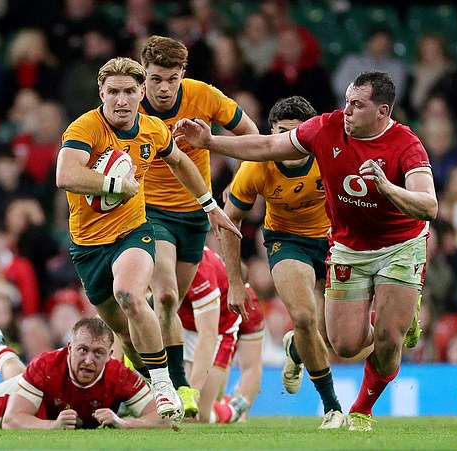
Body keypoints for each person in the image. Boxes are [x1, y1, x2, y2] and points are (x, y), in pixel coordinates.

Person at [175, 71, 438, 431]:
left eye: (357, 105)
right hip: (343, 245)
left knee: (389, 338)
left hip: (399, 245)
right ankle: (304, 347)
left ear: (382, 111)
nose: (346, 110)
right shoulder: (323, 130)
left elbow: (429, 206)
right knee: (343, 344)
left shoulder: (406, 144)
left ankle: (359, 411)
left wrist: (387, 188)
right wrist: (210, 142)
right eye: (346, 101)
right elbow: (266, 147)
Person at [55, 56, 241, 421]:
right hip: (88, 245)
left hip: (134, 232)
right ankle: (145, 385)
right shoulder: (85, 128)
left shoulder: (152, 129)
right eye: (113, 92)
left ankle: (165, 385)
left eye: (128, 92)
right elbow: (65, 174)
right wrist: (115, 185)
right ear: (101, 93)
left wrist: (209, 205)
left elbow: (181, 162)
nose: (121, 100)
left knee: (131, 295)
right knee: (126, 334)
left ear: (141, 92)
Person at [139, 35, 259, 416]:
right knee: (168, 296)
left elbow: (253, 137)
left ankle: (147, 373)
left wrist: (211, 143)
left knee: (166, 308)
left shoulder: (204, 96)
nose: (162, 88)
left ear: (183, 75)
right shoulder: (127, 105)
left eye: (171, 79)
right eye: (155, 78)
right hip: (149, 211)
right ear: (144, 74)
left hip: (194, 213)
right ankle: (176, 385)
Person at [219, 95, 344, 429]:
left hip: (335, 241)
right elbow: (229, 222)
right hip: (287, 242)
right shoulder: (256, 166)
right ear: (271, 133)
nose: (287, 144)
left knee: (336, 335)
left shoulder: (329, 153)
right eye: (281, 134)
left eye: (296, 134)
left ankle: (296, 350)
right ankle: (332, 408)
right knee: (304, 316)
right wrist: (234, 281)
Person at [0, 287, 165, 430]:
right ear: (69, 348)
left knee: (24, 378)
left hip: (34, 389)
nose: (89, 360)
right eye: (82, 350)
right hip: (15, 406)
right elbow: (13, 420)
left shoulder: (118, 375)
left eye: (98, 353)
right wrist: (53, 426)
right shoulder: (47, 365)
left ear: (110, 356)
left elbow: (160, 417)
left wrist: (123, 423)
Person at [179, 247, 263, 424]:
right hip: (186, 325)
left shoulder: (250, 305)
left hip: (218, 332)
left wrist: (192, 393)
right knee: (179, 412)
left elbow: (252, 365)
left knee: (198, 415)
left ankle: (234, 409)